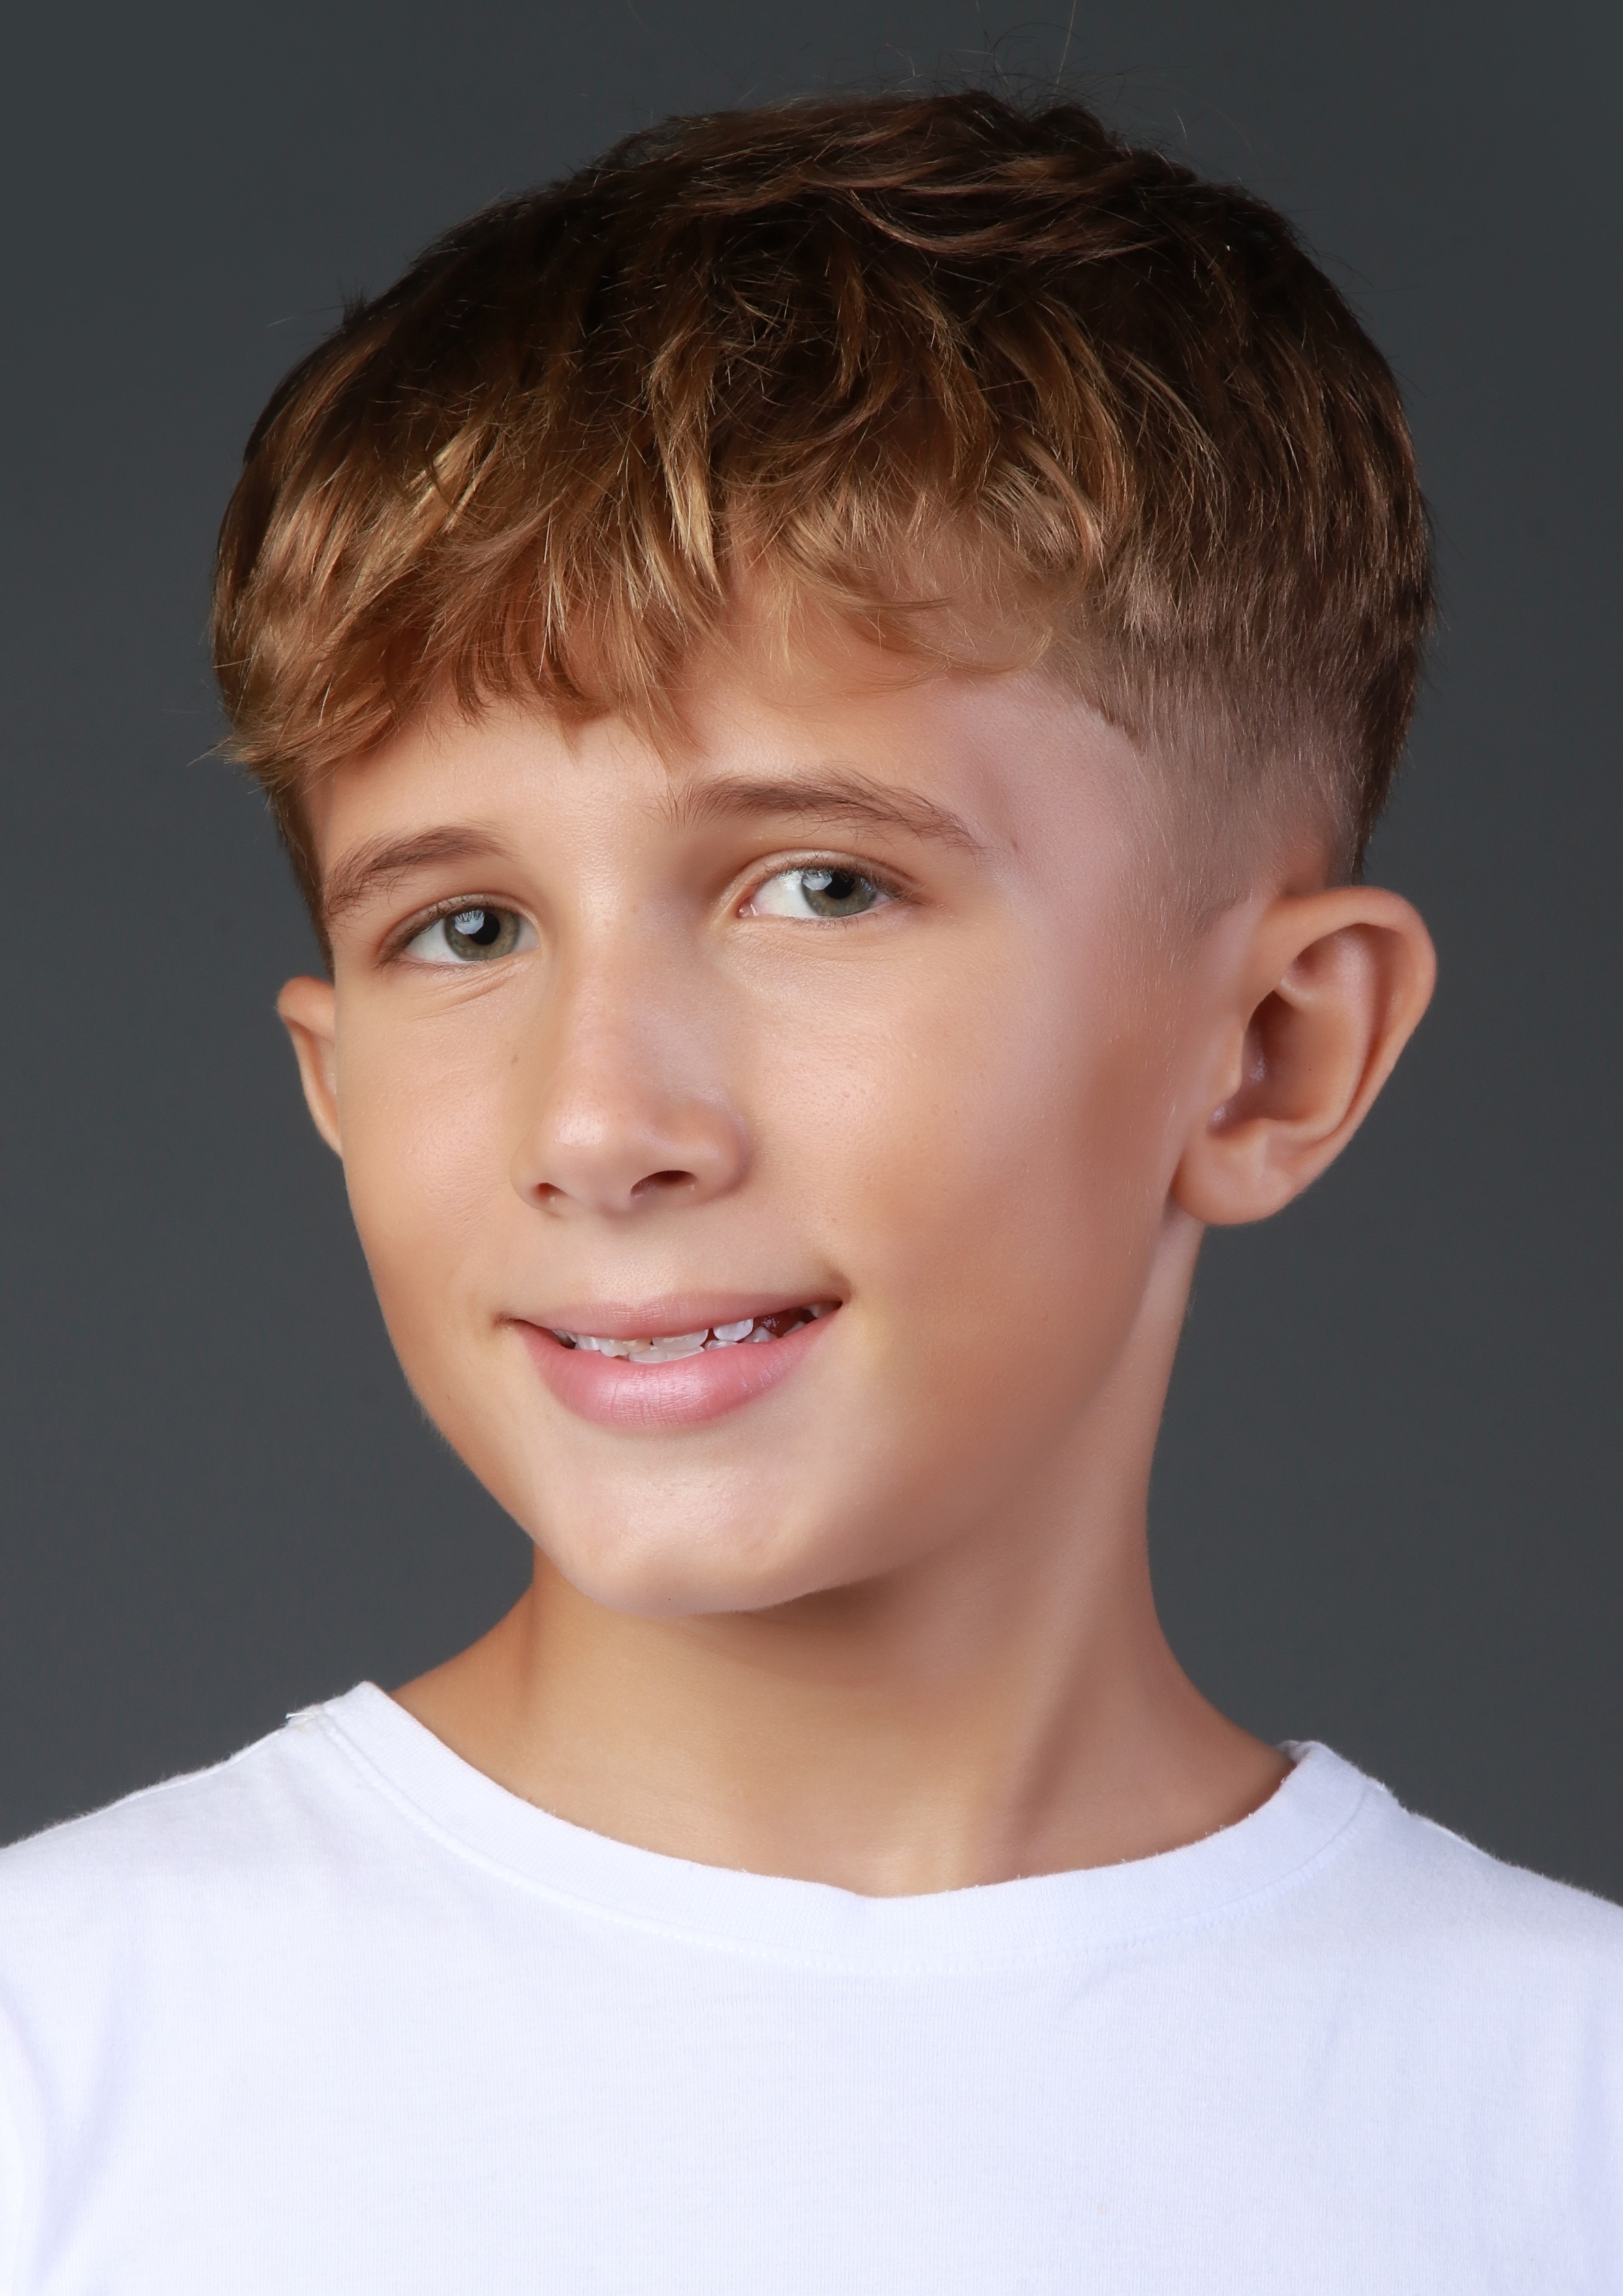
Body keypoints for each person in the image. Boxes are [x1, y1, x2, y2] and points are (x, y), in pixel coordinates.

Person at [0, 88, 1616, 2292]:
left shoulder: (1566, 2126)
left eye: (821, 887)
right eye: (463, 929)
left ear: (1270, 1051)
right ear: (333, 1078)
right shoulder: (60, 2070)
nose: (600, 1122)